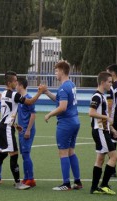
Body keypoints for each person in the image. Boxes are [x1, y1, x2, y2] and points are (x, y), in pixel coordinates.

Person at [0, 71, 45, 190]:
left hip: (5, 126)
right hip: (6, 128)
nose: (16, 83)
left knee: (3, 154)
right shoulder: (14, 95)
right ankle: (18, 183)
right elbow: (29, 102)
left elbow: (8, 111)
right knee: (14, 154)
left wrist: (15, 124)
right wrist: (40, 92)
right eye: (15, 81)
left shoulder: (4, 93)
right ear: (9, 83)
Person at [43, 61, 82, 191]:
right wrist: (47, 92)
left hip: (66, 123)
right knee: (71, 151)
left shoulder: (63, 87)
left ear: (62, 71)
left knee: (63, 152)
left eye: (56, 71)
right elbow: (60, 100)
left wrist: (49, 114)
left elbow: (62, 107)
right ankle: (77, 181)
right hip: (75, 121)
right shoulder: (71, 84)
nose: (55, 73)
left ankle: (66, 183)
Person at [89, 71, 117, 195]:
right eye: (109, 82)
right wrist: (107, 119)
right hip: (99, 131)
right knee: (114, 157)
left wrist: (112, 129)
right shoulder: (97, 96)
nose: (111, 85)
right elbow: (91, 112)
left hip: (103, 130)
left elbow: (103, 115)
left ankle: (94, 188)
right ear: (102, 82)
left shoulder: (102, 96)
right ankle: (104, 185)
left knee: (100, 159)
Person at [16, 78, 36, 188]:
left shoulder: (28, 98)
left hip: (27, 130)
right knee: (23, 154)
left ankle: (31, 179)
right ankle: (26, 177)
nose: (15, 87)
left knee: (26, 153)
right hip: (21, 130)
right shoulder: (21, 99)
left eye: (17, 84)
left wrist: (28, 130)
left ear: (21, 86)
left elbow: (33, 115)